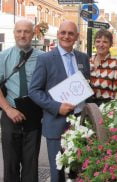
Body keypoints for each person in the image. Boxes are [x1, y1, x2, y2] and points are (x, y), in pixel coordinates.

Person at [29, 20, 90, 182]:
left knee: (79, 168)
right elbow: (34, 91)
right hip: (56, 122)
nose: (66, 36)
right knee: (58, 171)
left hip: (79, 123)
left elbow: (84, 85)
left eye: (71, 33)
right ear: (57, 35)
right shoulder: (46, 59)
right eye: (63, 32)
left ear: (76, 36)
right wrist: (56, 107)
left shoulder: (83, 58)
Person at [0, 19, 43, 182]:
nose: (22, 35)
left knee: (31, 165)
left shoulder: (43, 58)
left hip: (33, 115)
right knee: (10, 164)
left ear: (33, 34)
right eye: (19, 31)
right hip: (10, 113)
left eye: (26, 31)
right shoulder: (3, 57)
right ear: (14, 33)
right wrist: (8, 110)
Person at [90, 29, 117, 106]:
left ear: (110, 44)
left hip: (105, 109)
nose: (101, 44)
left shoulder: (116, 64)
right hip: (86, 108)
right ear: (94, 43)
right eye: (98, 41)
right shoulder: (87, 61)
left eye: (105, 42)